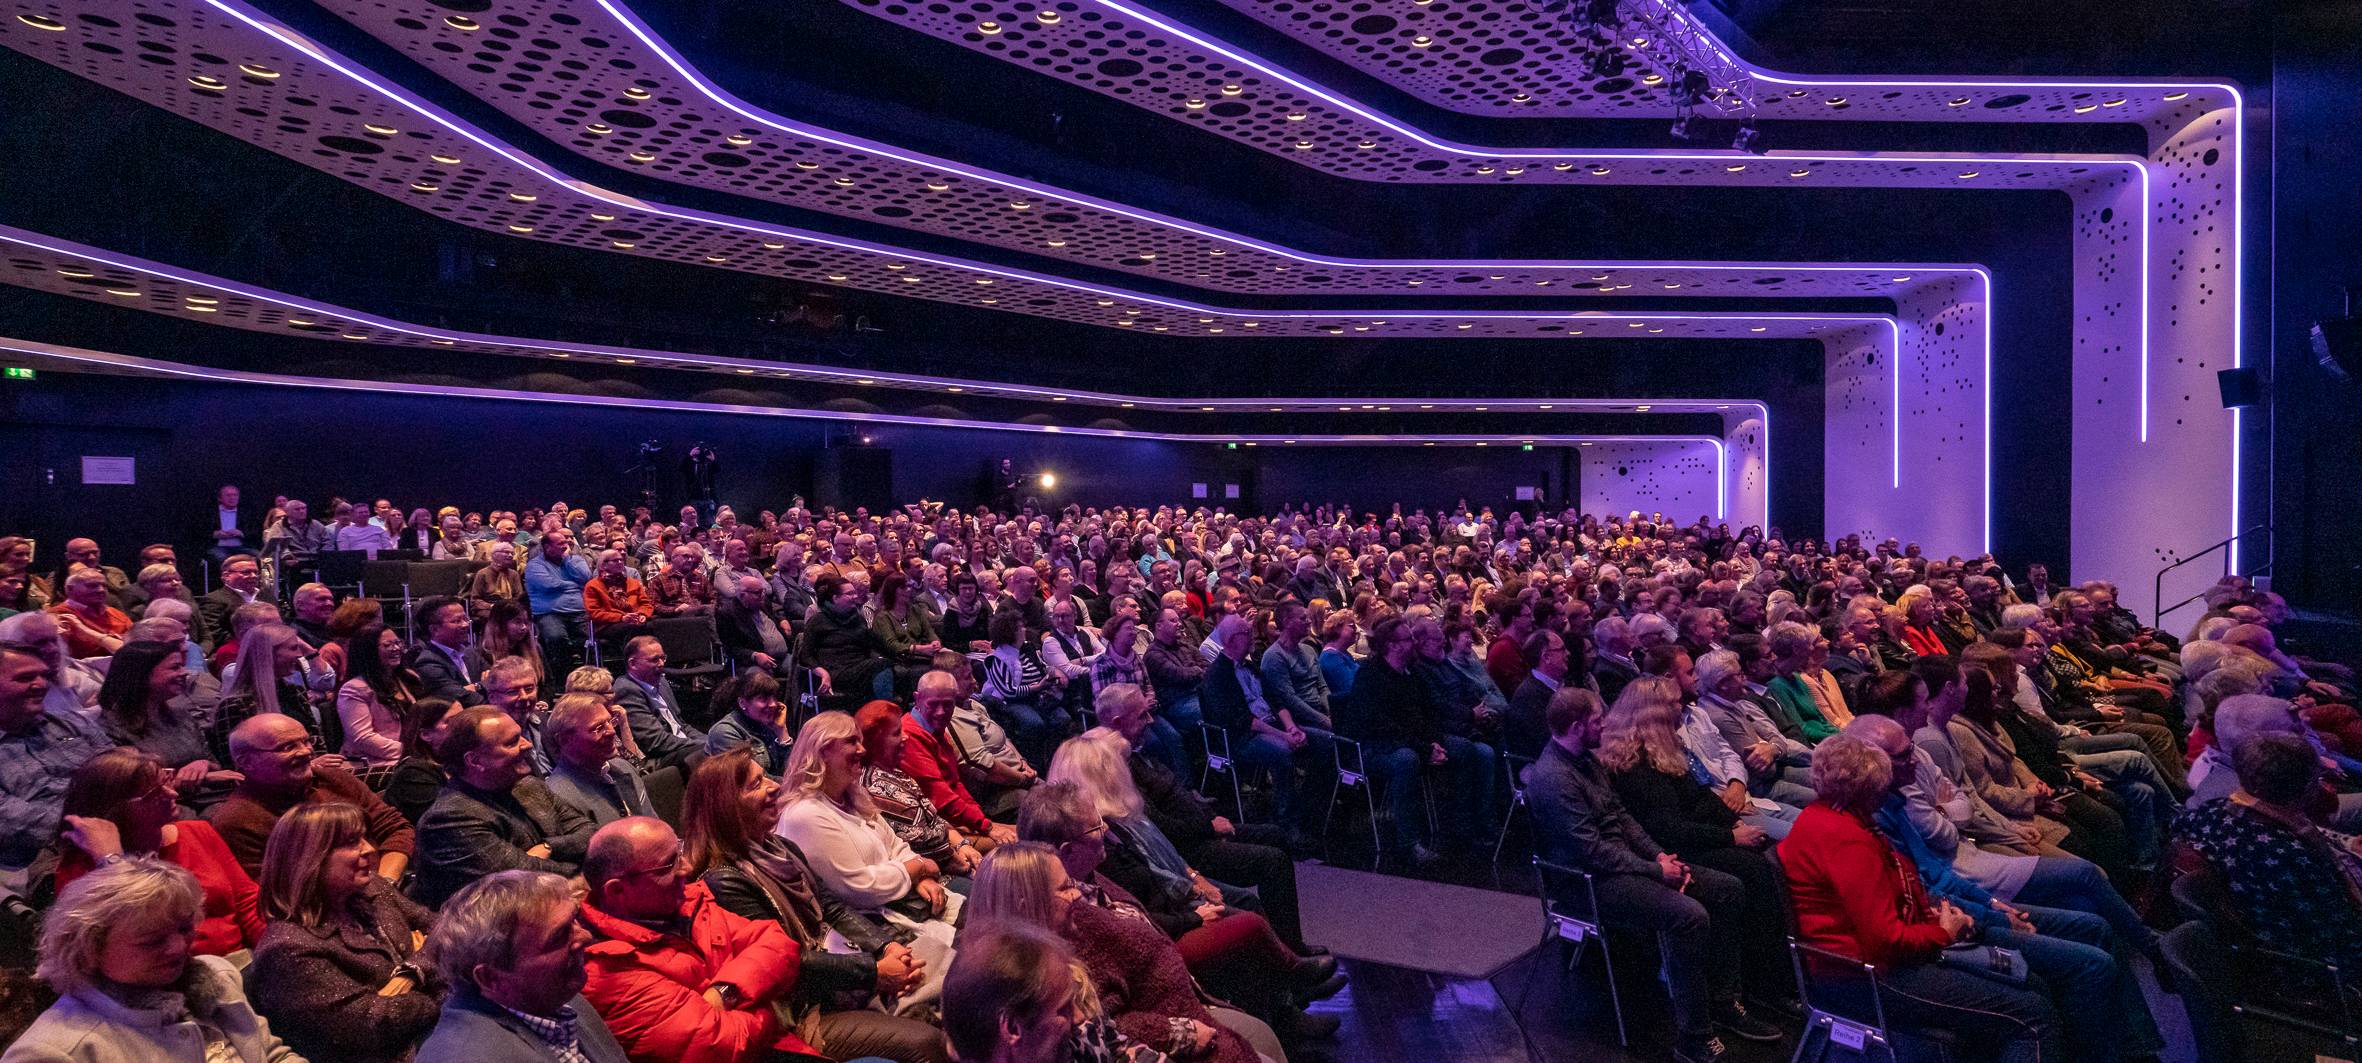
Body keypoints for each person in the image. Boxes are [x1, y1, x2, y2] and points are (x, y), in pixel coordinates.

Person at [1780, 733, 2132, 1063]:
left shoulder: (1836, 819)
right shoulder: (1846, 838)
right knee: (2030, 1015)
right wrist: (1944, 932)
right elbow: (1885, 938)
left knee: (2032, 982)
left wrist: (1939, 919)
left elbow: (1892, 905)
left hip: (1878, 961)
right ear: (1868, 787)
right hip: (1864, 977)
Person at [1524, 684, 1769, 1061]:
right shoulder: (1555, 778)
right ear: (1575, 727)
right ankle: (1692, 1035)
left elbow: (1622, 817)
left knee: (1728, 888)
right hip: (1588, 882)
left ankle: (1723, 999)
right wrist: (1656, 870)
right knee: (1689, 916)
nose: (1605, 726)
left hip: (1625, 865)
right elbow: (1591, 852)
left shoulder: (1586, 759)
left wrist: (1660, 857)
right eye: (1596, 721)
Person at [1011, 782, 1335, 1047]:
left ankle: (1287, 1003)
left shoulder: (1092, 876)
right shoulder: (1069, 914)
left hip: (1176, 974)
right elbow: (1113, 1018)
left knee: (1244, 926)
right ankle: (1291, 984)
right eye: (1096, 826)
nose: (1106, 828)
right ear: (1067, 852)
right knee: (1247, 928)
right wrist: (1185, 1029)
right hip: (1170, 1009)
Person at [681, 749, 948, 1063]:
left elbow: (830, 908)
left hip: (841, 967)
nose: (774, 787)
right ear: (725, 806)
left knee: (955, 976)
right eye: (755, 785)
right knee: (926, 1042)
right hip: (804, 1008)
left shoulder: (779, 847)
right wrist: (873, 971)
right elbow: (785, 965)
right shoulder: (724, 882)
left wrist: (886, 947)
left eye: (765, 776)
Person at [967, 842, 1280, 1063]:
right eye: (1064, 889)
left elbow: (1112, 1042)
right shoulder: (1008, 993)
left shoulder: (1062, 958)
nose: (1078, 894)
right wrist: (1177, 1034)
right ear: (1027, 907)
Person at [1594, 679, 1790, 1012]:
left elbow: (1699, 795)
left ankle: (1772, 973)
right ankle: (1762, 984)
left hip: (1694, 835)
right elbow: (1666, 830)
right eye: (1674, 703)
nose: (1682, 706)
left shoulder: (1664, 749)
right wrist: (1730, 837)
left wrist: (1735, 823)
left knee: (1771, 853)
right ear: (1652, 713)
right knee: (1753, 869)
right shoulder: (1633, 763)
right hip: (1664, 851)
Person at [575, 816, 823, 1063]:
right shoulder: (604, 971)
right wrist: (767, 1005)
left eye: (679, 851)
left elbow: (777, 944)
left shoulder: (687, 902)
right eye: (668, 865)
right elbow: (721, 1046)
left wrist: (725, 991)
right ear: (617, 890)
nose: (687, 868)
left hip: (782, 1045)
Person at [5, 857, 299, 1062]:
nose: (179, 947)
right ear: (88, 949)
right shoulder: (55, 1051)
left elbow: (271, 1055)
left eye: (185, 928)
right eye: (152, 940)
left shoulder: (219, 975)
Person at [248, 803, 442, 1063]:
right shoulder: (288, 949)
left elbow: (446, 929)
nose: (370, 849)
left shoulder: (372, 889)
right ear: (311, 858)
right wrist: (439, 981)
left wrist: (413, 972)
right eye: (352, 842)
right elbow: (372, 1028)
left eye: (364, 837)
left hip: (431, 1032)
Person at [2179, 731, 2362, 972]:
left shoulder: (2208, 813)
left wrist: (2346, 844)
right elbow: (2344, 934)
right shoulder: (2291, 858)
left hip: (2265, 939)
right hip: (2314, 969)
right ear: (2307, 789)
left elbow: (2303, 831)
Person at [54, 748, 265, 957]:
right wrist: (111, 861)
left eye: (167, 780)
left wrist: (274, 952)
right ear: (114, 808)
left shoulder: (197, 831)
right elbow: (134, 938)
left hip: (240, 961)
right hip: (164, 977)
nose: (172, 793)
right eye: (154, 793)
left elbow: (247, 903)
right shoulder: (83, 867)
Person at [414, 869, 629, 1063]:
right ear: (491, 978)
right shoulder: (467, 1055)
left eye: (574, 920)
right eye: (560, 936)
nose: (586, 936)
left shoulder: (553, 994)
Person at [774, 710, 957, 922]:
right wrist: (919, 867)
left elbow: (896, 846)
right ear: (823, 751)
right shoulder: (804, 814)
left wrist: (920, 879)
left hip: (905, 902)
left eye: (860, 741)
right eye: (852, 742)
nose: (862, 750)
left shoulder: (853, 796)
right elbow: (859, 888)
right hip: (872, 925)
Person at [411, 706, 594, 907]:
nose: (527, 745)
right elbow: (526, 877)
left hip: (545, 909)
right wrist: (592, 869)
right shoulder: (449, 819)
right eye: (512, 742)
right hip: (486, 932)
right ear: (475, 760)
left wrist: (548, 847)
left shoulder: (529, 786)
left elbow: (590, 833)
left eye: (521, 736)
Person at [207, 713, 413, 880]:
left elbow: (396, 828)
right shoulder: (237, 820)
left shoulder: (334, 779)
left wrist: (387, 884)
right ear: (247, 762)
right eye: (288, 747)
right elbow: (276, 891)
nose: (306, 752)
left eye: (306, 742)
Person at [1201, 614, 1332, 850]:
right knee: (1282, 752)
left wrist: (1291, 727)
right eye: (1246, 633)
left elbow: (1275, 699)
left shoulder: (1250, 665)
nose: (1252, 637)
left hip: (1273, 725)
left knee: (1326, 742)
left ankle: (1308, 808)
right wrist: (1284, 736)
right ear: (1230, 640)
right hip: (1241, 737)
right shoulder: (1217, 675)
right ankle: (1285, 821)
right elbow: (1243, 720)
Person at [0, 642, 110, 886]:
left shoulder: (70, 722)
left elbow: (117, 768)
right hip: (35, 859)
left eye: (44, 675)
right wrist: (98, 826)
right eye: (26, 677)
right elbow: (13, 822)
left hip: (112, 831)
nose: (41, 684)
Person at [857, 700, 983, 875]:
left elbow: (934, 818)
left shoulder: (896, 771)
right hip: (932, 872)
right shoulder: (877, 786)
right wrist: (969, 868)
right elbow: (923, 844)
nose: (905, 736)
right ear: (876, 743)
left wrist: (962, 844)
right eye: (896, 734)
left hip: (950, 850)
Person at [901, 671, 1022, 844]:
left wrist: (981, 820)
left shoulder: (935, 730)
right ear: (917, 698)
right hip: (934, 827)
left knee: (1025, 832)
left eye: (948, 705)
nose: (941, 712)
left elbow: (955, 783)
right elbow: (940, 797)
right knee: (1016, 843)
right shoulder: (909, 735)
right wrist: (986, 826)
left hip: (954, 820)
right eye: (933, 704)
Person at [926, 654, 1040, 820]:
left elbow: (1004, 739)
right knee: (1049, 808)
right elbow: (980, 763)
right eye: (967, 677)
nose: (974, 681)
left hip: (1019, 776)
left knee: (1063, 794)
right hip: (996, 793)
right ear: (950, 683)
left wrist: (1023, 763)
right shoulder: (951, 715)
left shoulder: (974, 704)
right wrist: (1022, 780)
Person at [542, 694, 655, 827]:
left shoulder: (623, 766)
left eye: (610, 722)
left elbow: (654, 823)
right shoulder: (560, 795)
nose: (611, 731)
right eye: (598, 728)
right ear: (565, 740)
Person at [612, 635, 707, 774]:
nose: (662, 664)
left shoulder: (661, 682)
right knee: (709, 752)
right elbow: (656, 742)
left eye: (663, 658)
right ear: (632, 663)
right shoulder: (626, 690)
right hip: (658, 758)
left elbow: (682, 725)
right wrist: (704, 744)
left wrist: (709, 739)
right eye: (654, 659)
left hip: (681, 746)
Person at [336, 622, 417, 767]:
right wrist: (410, 751)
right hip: (374, 761)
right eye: (387, 645)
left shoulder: (408, 678)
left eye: (398, 643)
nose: (397, 648)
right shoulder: (354, 688)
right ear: (368, 651)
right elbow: (363, 739)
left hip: (409, 757)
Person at [384, 697, 465, 827]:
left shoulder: (457, 760)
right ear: (426, 735)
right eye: (451, 721)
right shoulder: (413, 774)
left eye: (463, 718)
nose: (464, 726)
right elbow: (447, 822)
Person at [524, 528, 593, 673]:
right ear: (547, 547)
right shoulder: (534, 565)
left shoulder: (576, 559)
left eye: (566, 542)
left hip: (579, 612)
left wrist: (568, 559)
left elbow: (586, 579)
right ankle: (564, 676)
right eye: (560, 543)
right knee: (556, 637)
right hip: (549, 613)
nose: (565, 545)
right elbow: (548, 585)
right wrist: (575, 584)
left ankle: (590, 677)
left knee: (589, 640)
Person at [703, 671, 795, 775]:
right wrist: (794, 785)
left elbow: (791, 769)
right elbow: (753, 779)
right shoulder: (724, 732)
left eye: (774, 697)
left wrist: (781, 731)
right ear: (742, 703)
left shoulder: (767, 723)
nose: (773, 704)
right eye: (764, 699)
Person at [408, 596, 483, 707]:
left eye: (465, 619)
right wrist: (481, 686)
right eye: (457, 621)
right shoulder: (427, 662)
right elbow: (463, 700)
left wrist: (475, 686)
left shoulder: (470, 652)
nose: (465, 624)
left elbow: (499, 680)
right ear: (434, 629)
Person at [46, 569, 132, 659]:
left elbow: (136, 646)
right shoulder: (57, 615)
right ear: (70, 589)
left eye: (104, 586)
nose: (101, 590)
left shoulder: (117, 614)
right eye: (92, 586)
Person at [463, 541, 526, 623]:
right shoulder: (482, 574)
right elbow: (475, 600)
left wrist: (510, 606)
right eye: (506, 552)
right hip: (489, 607)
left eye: (512, 553)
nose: (510, 556)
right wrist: (492, 606)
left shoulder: (514, 574)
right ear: (495, 555)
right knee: (500, 616)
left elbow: (519, 596)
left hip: (509, 607)